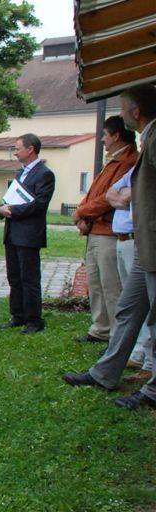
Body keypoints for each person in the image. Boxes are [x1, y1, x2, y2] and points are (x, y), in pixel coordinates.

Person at [63, 83, 156, 411]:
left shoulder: (155, 137)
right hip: (145, 248)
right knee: (129, 310)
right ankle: (105, 372)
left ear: (136, 112)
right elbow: (113, 194)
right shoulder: (147, 139)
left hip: (152, 247)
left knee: (153, 318)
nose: (120, 113)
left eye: (123, 105)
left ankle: (153, 390)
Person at [71, 115, 138, 343]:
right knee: (96, 283)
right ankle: (100, 328)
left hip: (109, 233)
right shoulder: (113, 160)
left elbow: (109, 199)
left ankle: (117, 335)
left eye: (105, 135)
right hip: (95, 230)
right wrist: (84, 214)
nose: (102, 140)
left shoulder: (128, 161)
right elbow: (95, 194)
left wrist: (82, 212)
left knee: (112, 286)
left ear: (116, 136)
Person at [106, 126, 153, 383]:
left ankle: (148, 364)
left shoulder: (141, 167)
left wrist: (127, 196)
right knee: (129, 305)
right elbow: (112, 194)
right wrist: (125, 196)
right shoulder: (134, 169)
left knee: (147, 309)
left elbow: (132, 197)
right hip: (126, 241)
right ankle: (133, 356)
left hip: (142, 242)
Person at [0, 134, 55, 334]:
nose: (15, 152)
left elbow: (38, 205)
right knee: (14, 276)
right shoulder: (19, 174)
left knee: (29, 278)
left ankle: (34, 320)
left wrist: (11, 210)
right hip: (12, 233)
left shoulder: (45, 174)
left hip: (29, 234)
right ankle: (18, 315)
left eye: (18, 148)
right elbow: (8, 198)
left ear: (30, 149)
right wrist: (1, 208)